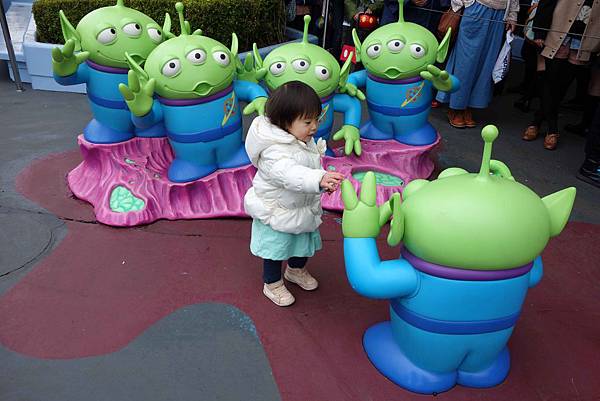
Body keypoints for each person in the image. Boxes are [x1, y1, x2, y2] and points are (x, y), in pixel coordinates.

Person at [244, 81, 345, 307]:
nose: (314, 126)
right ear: (284, 122)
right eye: (307, 122)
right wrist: (317, 179)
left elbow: (307, 165)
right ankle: (272, 283)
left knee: (303, 242)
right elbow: (289, 173)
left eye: (317, 119)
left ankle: (295, 270)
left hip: (300, 207)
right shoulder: (273, 151)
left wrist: (321, 182)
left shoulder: (300, 139)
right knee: (276, 248)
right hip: (277, 211)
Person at [522, 0, 600, 150]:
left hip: (586, 37)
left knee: (563, 85)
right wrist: (540, 31)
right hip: (558, 30)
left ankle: (537, 120)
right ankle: (552, 129)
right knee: (550, 79)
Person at [436, 0, 519, 129]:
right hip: (477, 7)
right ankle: (456, 107)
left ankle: (469, 106)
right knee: (465, 60)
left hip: (500, 14)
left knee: (487, 62)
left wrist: (512, 15)